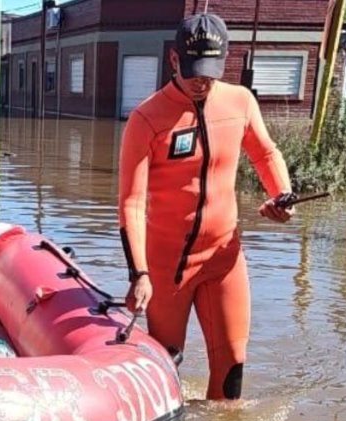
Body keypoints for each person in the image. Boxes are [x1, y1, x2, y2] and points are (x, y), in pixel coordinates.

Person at [117, 12, 295, 401]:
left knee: (232, 367)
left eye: (211, 71)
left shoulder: (240, 102)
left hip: (224, 258)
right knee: (165, 372)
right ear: (175, 61)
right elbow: (131, 203)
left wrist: (283, 196)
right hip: (168, 268)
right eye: (194, 70)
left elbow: (266, 154)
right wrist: (139, 273)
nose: (202, 81)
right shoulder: (146, 119)